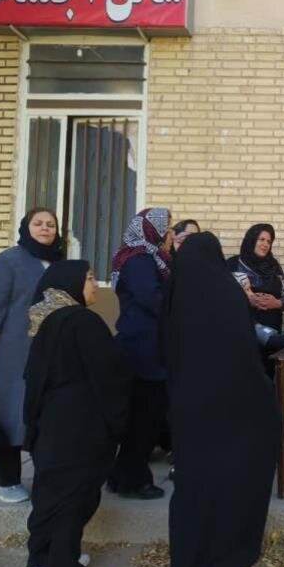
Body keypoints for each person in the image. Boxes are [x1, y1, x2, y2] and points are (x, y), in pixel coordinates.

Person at [164, 232, 280, 567]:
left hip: (188, 406)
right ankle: (225, 560)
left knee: (192, 487)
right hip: (231, 406)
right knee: (230, 482)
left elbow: (165, 348)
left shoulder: (174, 292)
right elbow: (244, 353)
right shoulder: (227, 293)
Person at [24, 260, 131, 567]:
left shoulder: (46, 319)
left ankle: (43, 562)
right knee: (75, 496)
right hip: (81, 425)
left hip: (51, 423)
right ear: (70, 283)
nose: (95, 285)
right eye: (89, 278)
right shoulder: (83, 321)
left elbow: (32, 378)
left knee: (50, 494)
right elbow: (108, 376)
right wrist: (118, 422)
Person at [0, 207, 63, 503]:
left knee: (45, 416)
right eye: (38, 223)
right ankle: (8, 482)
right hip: (10, 353)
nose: (45, 228)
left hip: (49, 353)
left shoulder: (59, 262)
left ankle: (47, 480)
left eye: (51, 224)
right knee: (8, 413)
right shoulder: (8, 261)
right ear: (26, 227)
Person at [106, 208, 173, 500]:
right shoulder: (141, 260)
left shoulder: (147, 257)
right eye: (166, 228)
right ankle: (135, 481)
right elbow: (152, 299)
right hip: (144, 350)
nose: (169, 234)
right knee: (145, 418)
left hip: (144, 345)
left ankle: (121, 476)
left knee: (141, 416)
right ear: (152, 229)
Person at [226, 223, 284, 333]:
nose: (265, 244)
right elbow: (224, 297)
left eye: (269, 242)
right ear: (251, 240)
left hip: (272, 332)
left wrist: (277, 303)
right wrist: (248, 300)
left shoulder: (274, 266)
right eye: (261, 239)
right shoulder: (234, 264)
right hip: (243, 329)